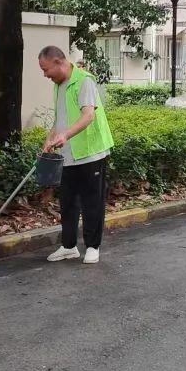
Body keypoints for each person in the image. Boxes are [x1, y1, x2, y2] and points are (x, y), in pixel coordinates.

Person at [38, 46, 114, 264]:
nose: (45, 75)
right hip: (69, 154)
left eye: (46, 69)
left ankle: (93, 246)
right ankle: (69, 246)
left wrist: (66, 135)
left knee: (92, 201)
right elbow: (60, 119)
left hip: (91, 153)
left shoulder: (84, 81)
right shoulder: (58, 85)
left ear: (58, 62)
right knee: (68, 201)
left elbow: (88, 116)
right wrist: (49, 141)